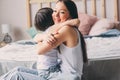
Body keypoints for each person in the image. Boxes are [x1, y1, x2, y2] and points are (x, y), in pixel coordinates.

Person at [0, 6, 81, 80]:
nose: (56, 14)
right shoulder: (48, 32)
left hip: (48, 72)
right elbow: (36, 37)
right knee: (17, 69)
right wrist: (43, 37)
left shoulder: (55, 31)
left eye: (59, 12)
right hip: (45, 70)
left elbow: (38, 49)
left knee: (17, 74)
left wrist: (69, 22)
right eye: (54, 12)